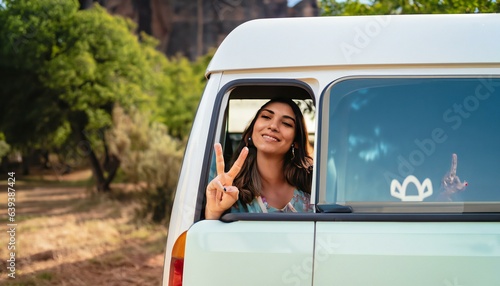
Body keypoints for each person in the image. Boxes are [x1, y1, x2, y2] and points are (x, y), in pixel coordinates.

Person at [205, 97, 314, 219]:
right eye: (266, 117)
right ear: (252, 130)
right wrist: (214, 211)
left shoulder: (312, 184)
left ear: (296, 141)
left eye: (286, 123)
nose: (273, 126)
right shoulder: (230, 188)